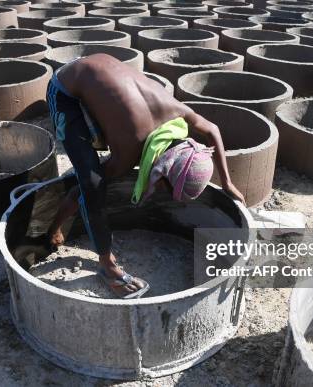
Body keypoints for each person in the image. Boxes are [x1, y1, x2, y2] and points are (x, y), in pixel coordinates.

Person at [46, 54, 246, 299]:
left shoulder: (179, 113)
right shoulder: (130, 148)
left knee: (96, 164)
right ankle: (100, 262)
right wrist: (69, 220)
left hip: (95, 68)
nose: (162, 193)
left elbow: (212, 129)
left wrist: (227, 182)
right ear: (162, 169)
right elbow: (90, 189)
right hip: (66, 90)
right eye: (164, 187)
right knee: (91, 181)